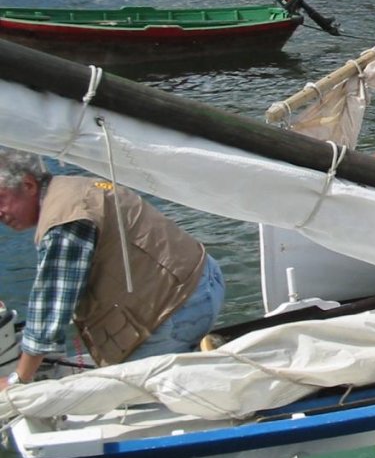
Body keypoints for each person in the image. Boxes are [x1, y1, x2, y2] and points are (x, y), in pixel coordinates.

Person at [0, 148, 224, 389]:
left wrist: (19, 379)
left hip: (176, 309)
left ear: (28, 185)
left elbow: (50, 307)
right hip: (202, 279)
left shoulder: (65, 221)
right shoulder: (75, 187)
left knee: (134, 401)